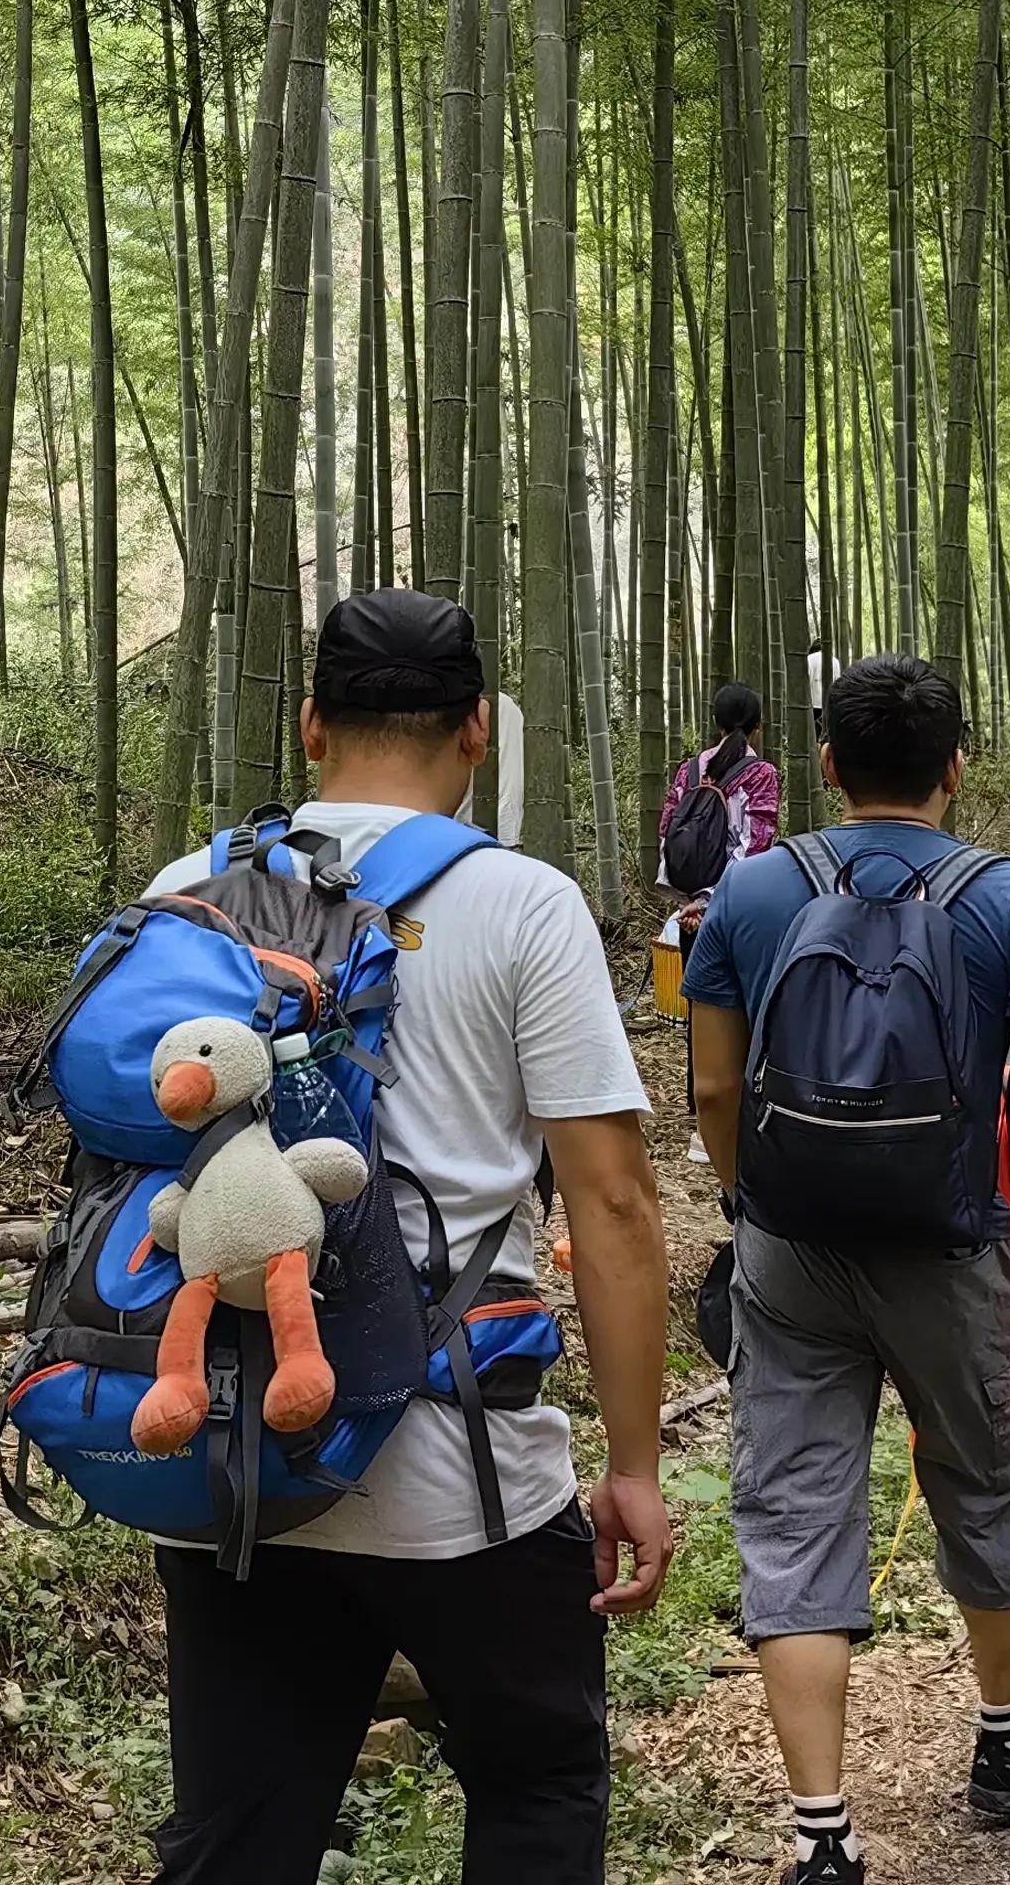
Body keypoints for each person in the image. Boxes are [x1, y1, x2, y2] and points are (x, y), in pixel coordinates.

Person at [141, 586, 675, 1885]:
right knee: (538, 1790)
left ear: (310, 725)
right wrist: (634, 1462)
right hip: (463, 1474)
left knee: (237, 1841)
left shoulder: (188, 889)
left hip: (234, 1462)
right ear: (476, 729)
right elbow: (611, 1202)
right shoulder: (523, 904)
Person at [686, 653, 1010, 1872]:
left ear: (825, 764)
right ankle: (1007, 1742)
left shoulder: (753, 889)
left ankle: (822, 1835)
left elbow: (711, 1085)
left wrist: (753, 1198)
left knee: (793, 1515)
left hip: (789, 1250)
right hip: (948, 1243)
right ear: (955, 768)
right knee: (983, 1482)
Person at [657, 678, 784, 893]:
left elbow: (666, 830)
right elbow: (755, 847)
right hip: (734, 896)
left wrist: (688, 897)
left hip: (685, 892)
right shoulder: (760, 774)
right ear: (757, 727)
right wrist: (711, 899)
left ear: (716, 722)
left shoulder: (689, 769)